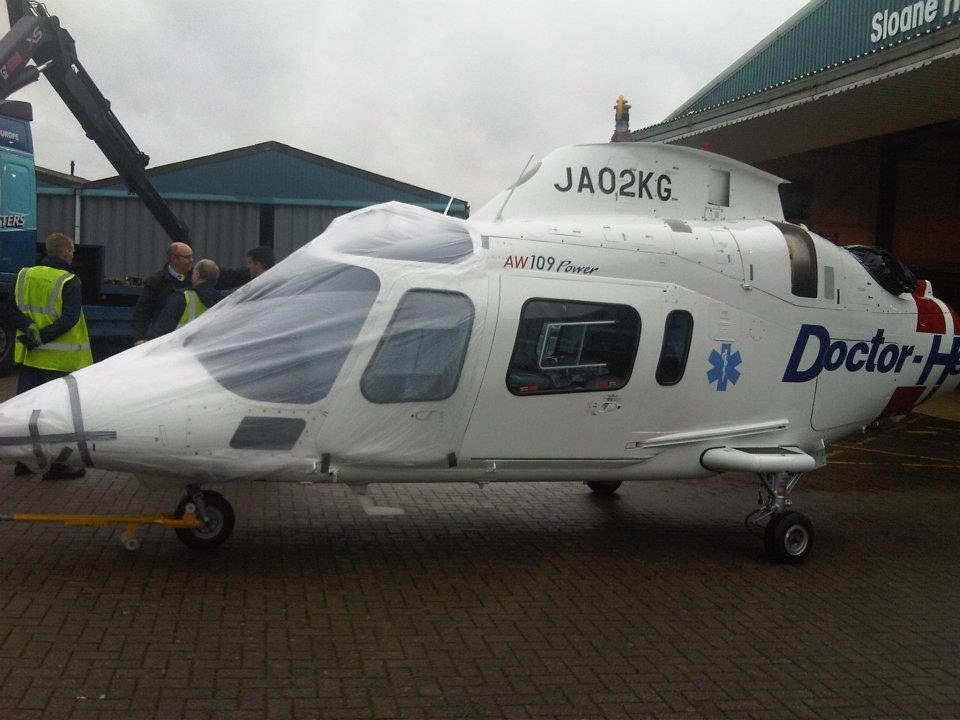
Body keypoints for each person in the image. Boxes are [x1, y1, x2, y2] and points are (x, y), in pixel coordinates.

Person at [8, 232, 92, 480]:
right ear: (65, 252)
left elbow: (10, 308)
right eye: (72, 251)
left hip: (30, 357)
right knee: (57, 415)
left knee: (27, 411)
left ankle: (23, 461)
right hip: (59, 361)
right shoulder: (69, 280)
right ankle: (57, 466)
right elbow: (70, 318)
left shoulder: (24, 275)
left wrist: (29, 328)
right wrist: (42, 337)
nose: (73, 255)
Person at [131, 242, 194, 344]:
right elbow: (142, 313)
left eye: (191, 256)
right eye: (187, 257)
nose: (191, 260)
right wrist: (139, 338)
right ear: (174, 259)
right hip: (163, 340)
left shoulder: (196, 280)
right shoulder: (156, 282)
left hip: (190, 340)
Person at [149, 259, 222, 338]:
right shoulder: (223, 301)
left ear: (197, 275)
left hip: (180, 344)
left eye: (193, 273)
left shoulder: (182, 297)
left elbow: (163, 328)